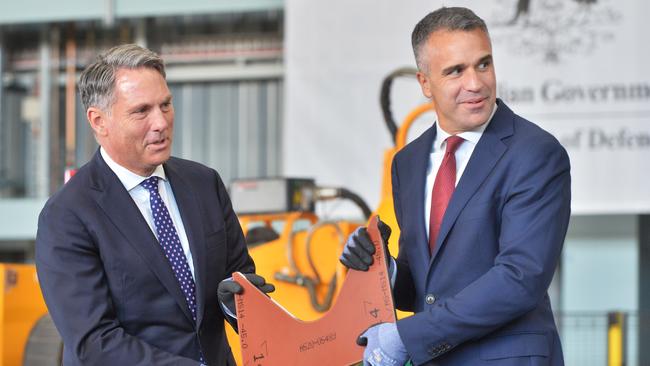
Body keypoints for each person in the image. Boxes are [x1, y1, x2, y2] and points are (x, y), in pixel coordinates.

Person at [341, 7, 570, 366]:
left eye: (483, 64)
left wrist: (407, 335)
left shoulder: (535, 153)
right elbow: (425, 289)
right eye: (455, 71)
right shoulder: (408, 163)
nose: (476, 83)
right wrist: (383, 267)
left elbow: (520, 278)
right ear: (424, 83)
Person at [35, 44, 273, 366]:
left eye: (166, 104)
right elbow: (95, 342)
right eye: (141, 111)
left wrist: (243, 305)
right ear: (98, 121)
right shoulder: (67, 215)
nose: (161, 122)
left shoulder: (204, 184)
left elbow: (239, 280)